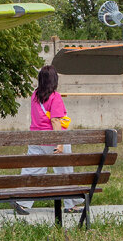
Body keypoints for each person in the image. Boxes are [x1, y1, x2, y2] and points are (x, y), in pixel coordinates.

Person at [14, 65, 80, 215]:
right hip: (52, 140)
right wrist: (60, 143)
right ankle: (71, 204)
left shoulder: (34, 95)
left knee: (32, 170)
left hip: (36, 138)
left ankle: (22, 201)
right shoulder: (55, 97)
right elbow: (56, 121)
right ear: (54, 80)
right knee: (65, 171)